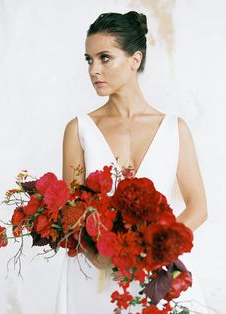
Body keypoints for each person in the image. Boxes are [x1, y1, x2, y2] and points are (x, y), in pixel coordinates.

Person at [55, 11, 208, 314]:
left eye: (104, 58)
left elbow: (198, 207)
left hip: (158, 273)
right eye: (89, 60)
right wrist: (99, 256)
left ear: (134, 60)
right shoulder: (79, 128)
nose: (93, 69)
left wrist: (153, 251)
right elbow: (70, 210)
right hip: (95, 275)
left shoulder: (175, 128)